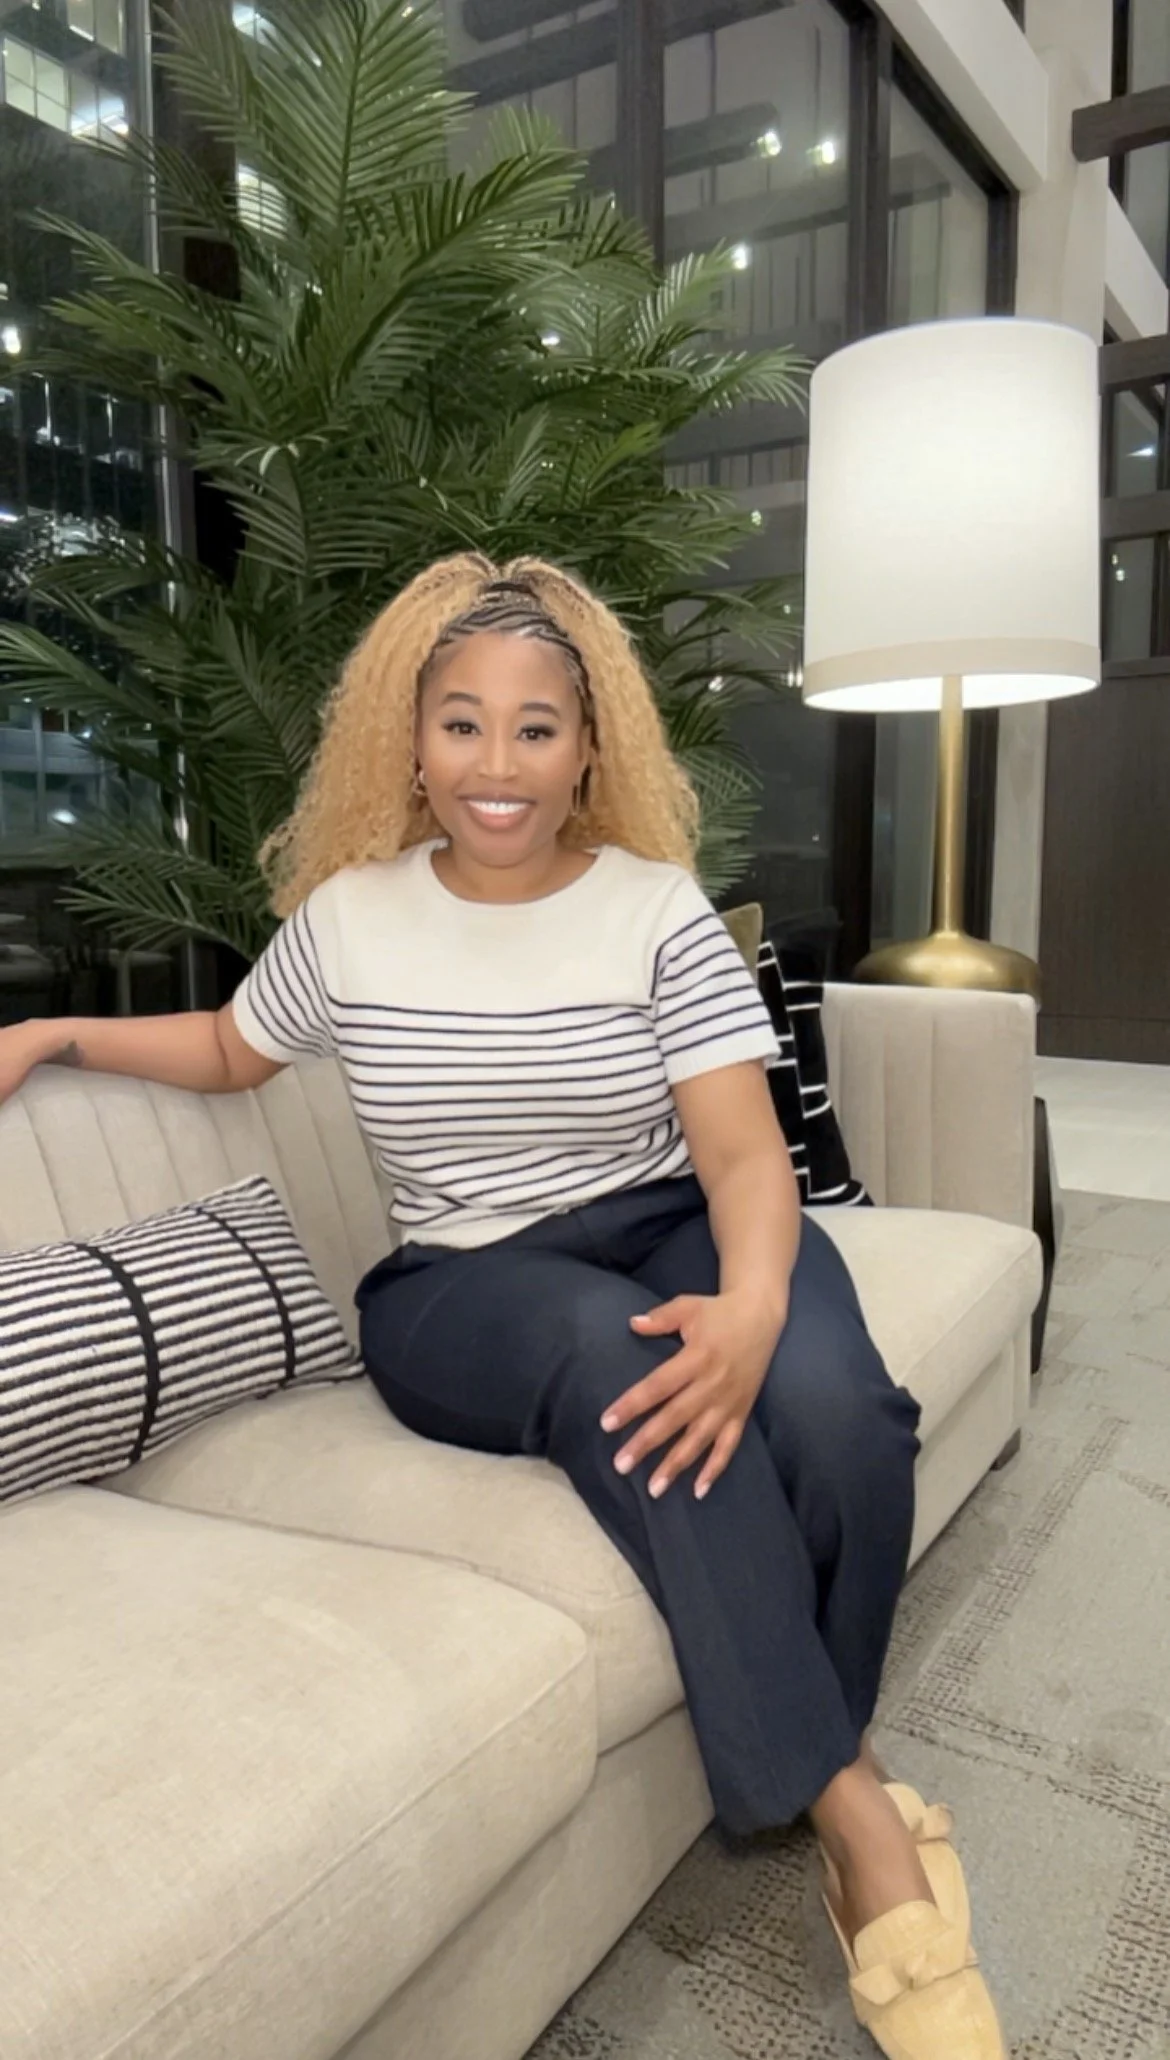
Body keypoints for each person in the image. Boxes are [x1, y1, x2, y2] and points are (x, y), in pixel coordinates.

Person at [0, 553, 1003, 2060]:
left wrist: (745, 1305)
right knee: (632, 1376)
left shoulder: (654, 912)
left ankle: (809, 1742)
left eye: (535, 728)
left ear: (590, 747)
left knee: (834, 1407)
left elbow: (738, 1151)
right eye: (460, 722)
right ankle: (861, 1830)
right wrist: (55, 1027)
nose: (496, 763)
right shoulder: (352, 917)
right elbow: (230, 1048)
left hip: (667, 1219)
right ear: (406, 740)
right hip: (461, 1281)